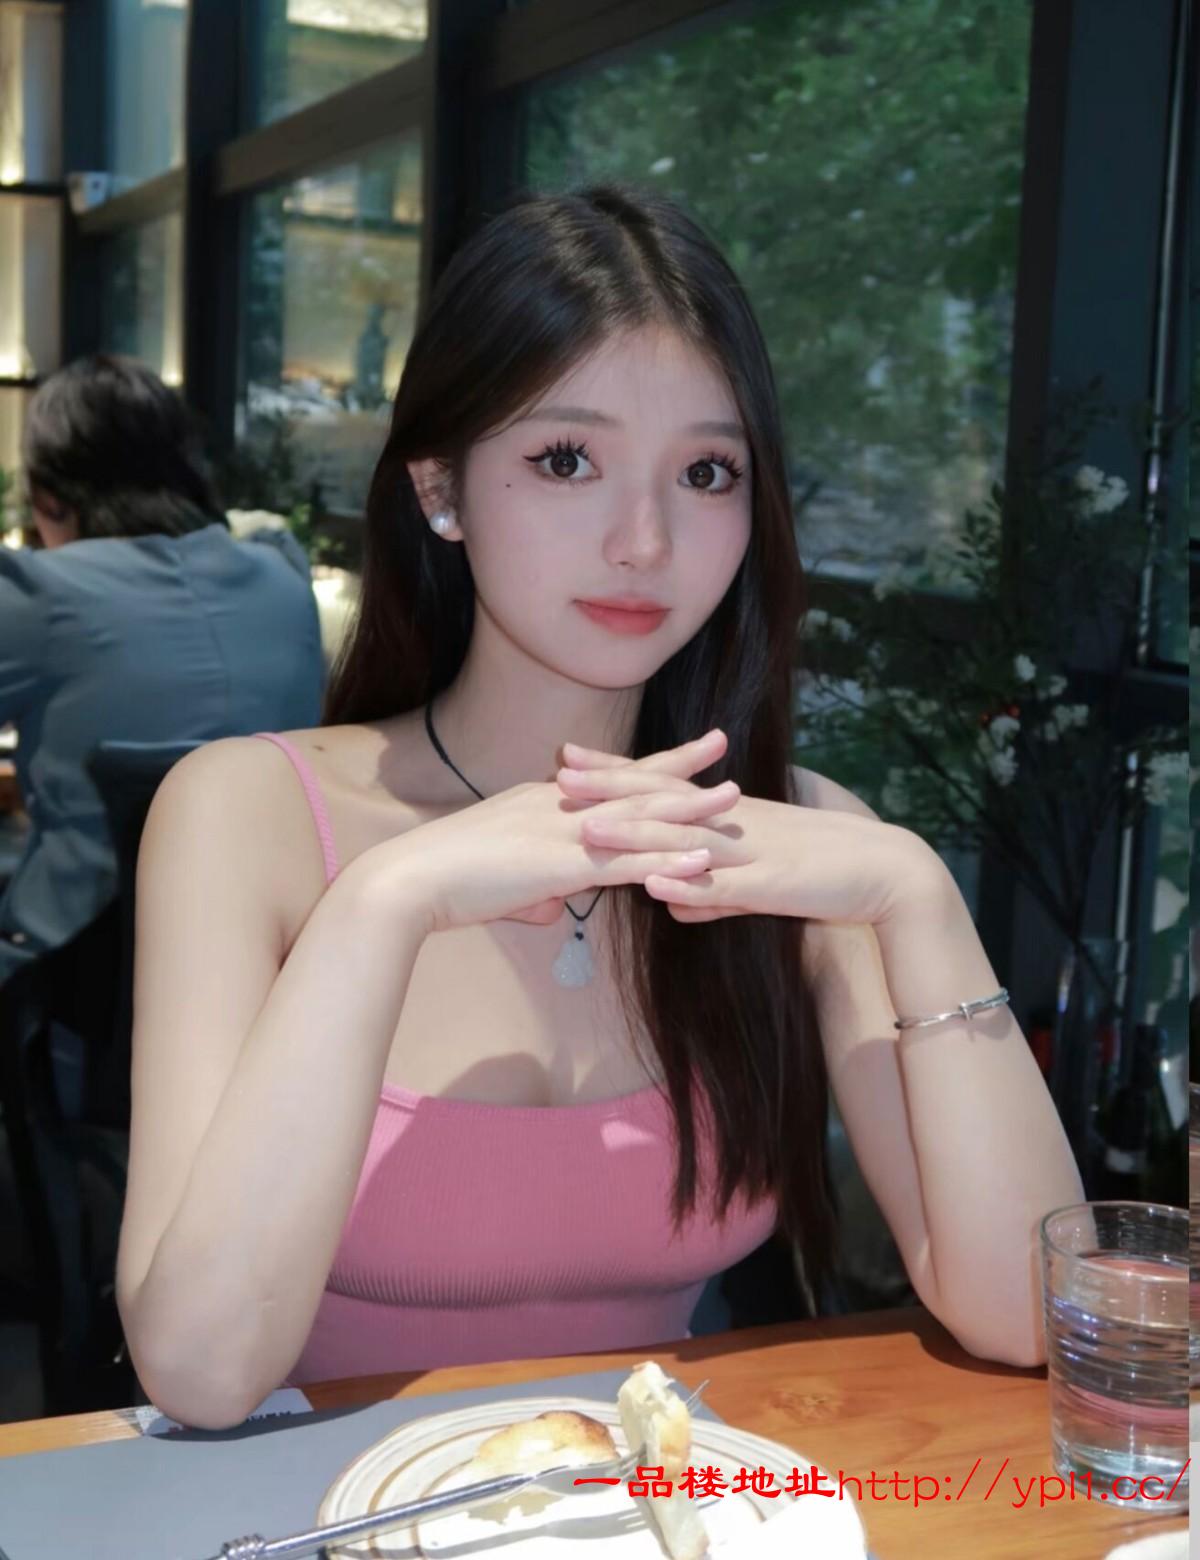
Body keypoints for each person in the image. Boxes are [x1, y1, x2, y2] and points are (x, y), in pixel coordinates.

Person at [115, 184, 1084, 1430]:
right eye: (566, 460)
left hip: (653, 1502)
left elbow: (1027, 1316)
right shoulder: (243, 814)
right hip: (319, 1509)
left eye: (706, 471)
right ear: (440, 488)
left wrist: (916, 891)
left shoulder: (801, 850)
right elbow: (199, 1372)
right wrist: (387, 902)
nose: (644, 539)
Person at [0, 355, 325, 986]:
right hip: (275, 964)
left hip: (72, 980)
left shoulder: (41, 594)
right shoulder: (284, 577)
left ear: (46, 497)